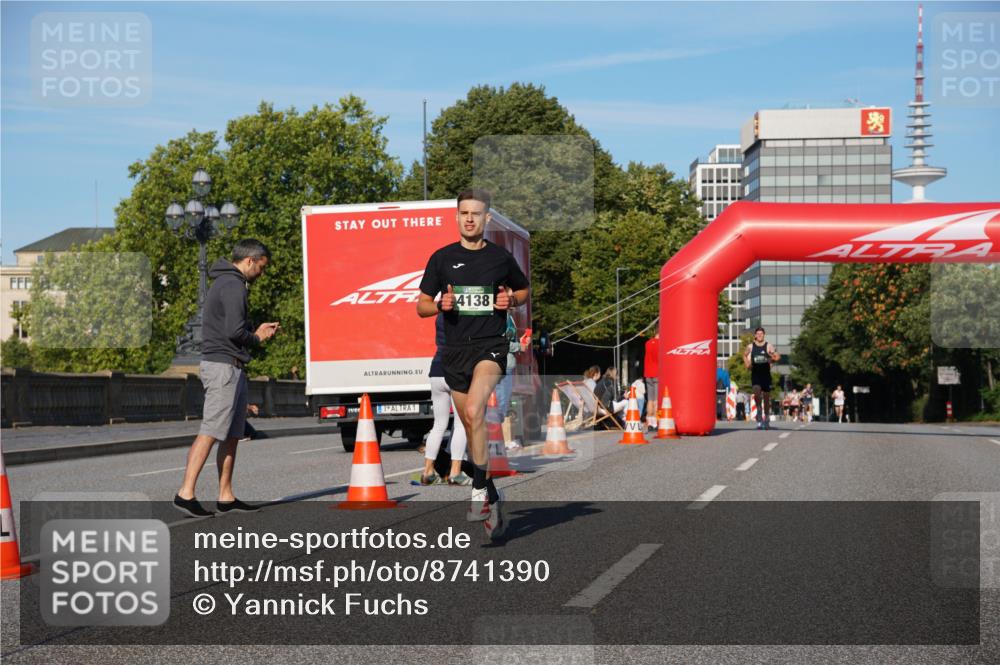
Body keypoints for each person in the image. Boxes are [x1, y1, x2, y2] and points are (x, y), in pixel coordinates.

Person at [416, 189, 529, 540]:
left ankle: (478, 491)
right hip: (454, 352)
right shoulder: (442, 258)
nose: (469, 219)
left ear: (486, 219)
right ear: (457, 217)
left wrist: (511, 298)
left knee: (477, 411)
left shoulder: (500, 258)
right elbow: (420, 306)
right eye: (464, 213)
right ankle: (491, 490)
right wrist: (440, 304)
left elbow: (524, 292)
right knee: (469, 420)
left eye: (476, 214)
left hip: (491, 347)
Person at [174, 239, 279, 517]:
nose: (262, 273)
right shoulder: (233, 285)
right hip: (223, 367)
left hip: (231, 366)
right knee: (210, 431)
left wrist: (254, 332)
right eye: (262, 267)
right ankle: (186, 493)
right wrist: (257, 336)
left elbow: (232, 328)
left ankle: (226, 495)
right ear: (250, 261)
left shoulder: (228, 283)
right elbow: (234, 331)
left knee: (232, 434)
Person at [421, 316, 471, 486]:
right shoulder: (466, 317)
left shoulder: (440, 316)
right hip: (456, 370)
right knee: (461, 424)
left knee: (439, 424)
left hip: (436, 369)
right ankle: (455, 473)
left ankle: (427, 471)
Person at [743, 327, 780, 430]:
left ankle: (767, 417)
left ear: (764, 335)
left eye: (761, 334)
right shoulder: (750, 346)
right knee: (756, 393)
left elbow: (777, 357)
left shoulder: (768, 346)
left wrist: (772, 358)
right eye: (758, 334)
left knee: (767, 397)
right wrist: (747, 364)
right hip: (755, 374)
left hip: (766, 375)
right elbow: (744, 355)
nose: (759, 335)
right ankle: (759, 413)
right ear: (755, 335)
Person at [644, 334, 659, 430]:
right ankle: (656, 423)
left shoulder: (648, 343)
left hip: (648, 373)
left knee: (650, 399)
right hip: (658, 373)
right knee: (657, 399)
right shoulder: (661, 343)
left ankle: (649, 422)